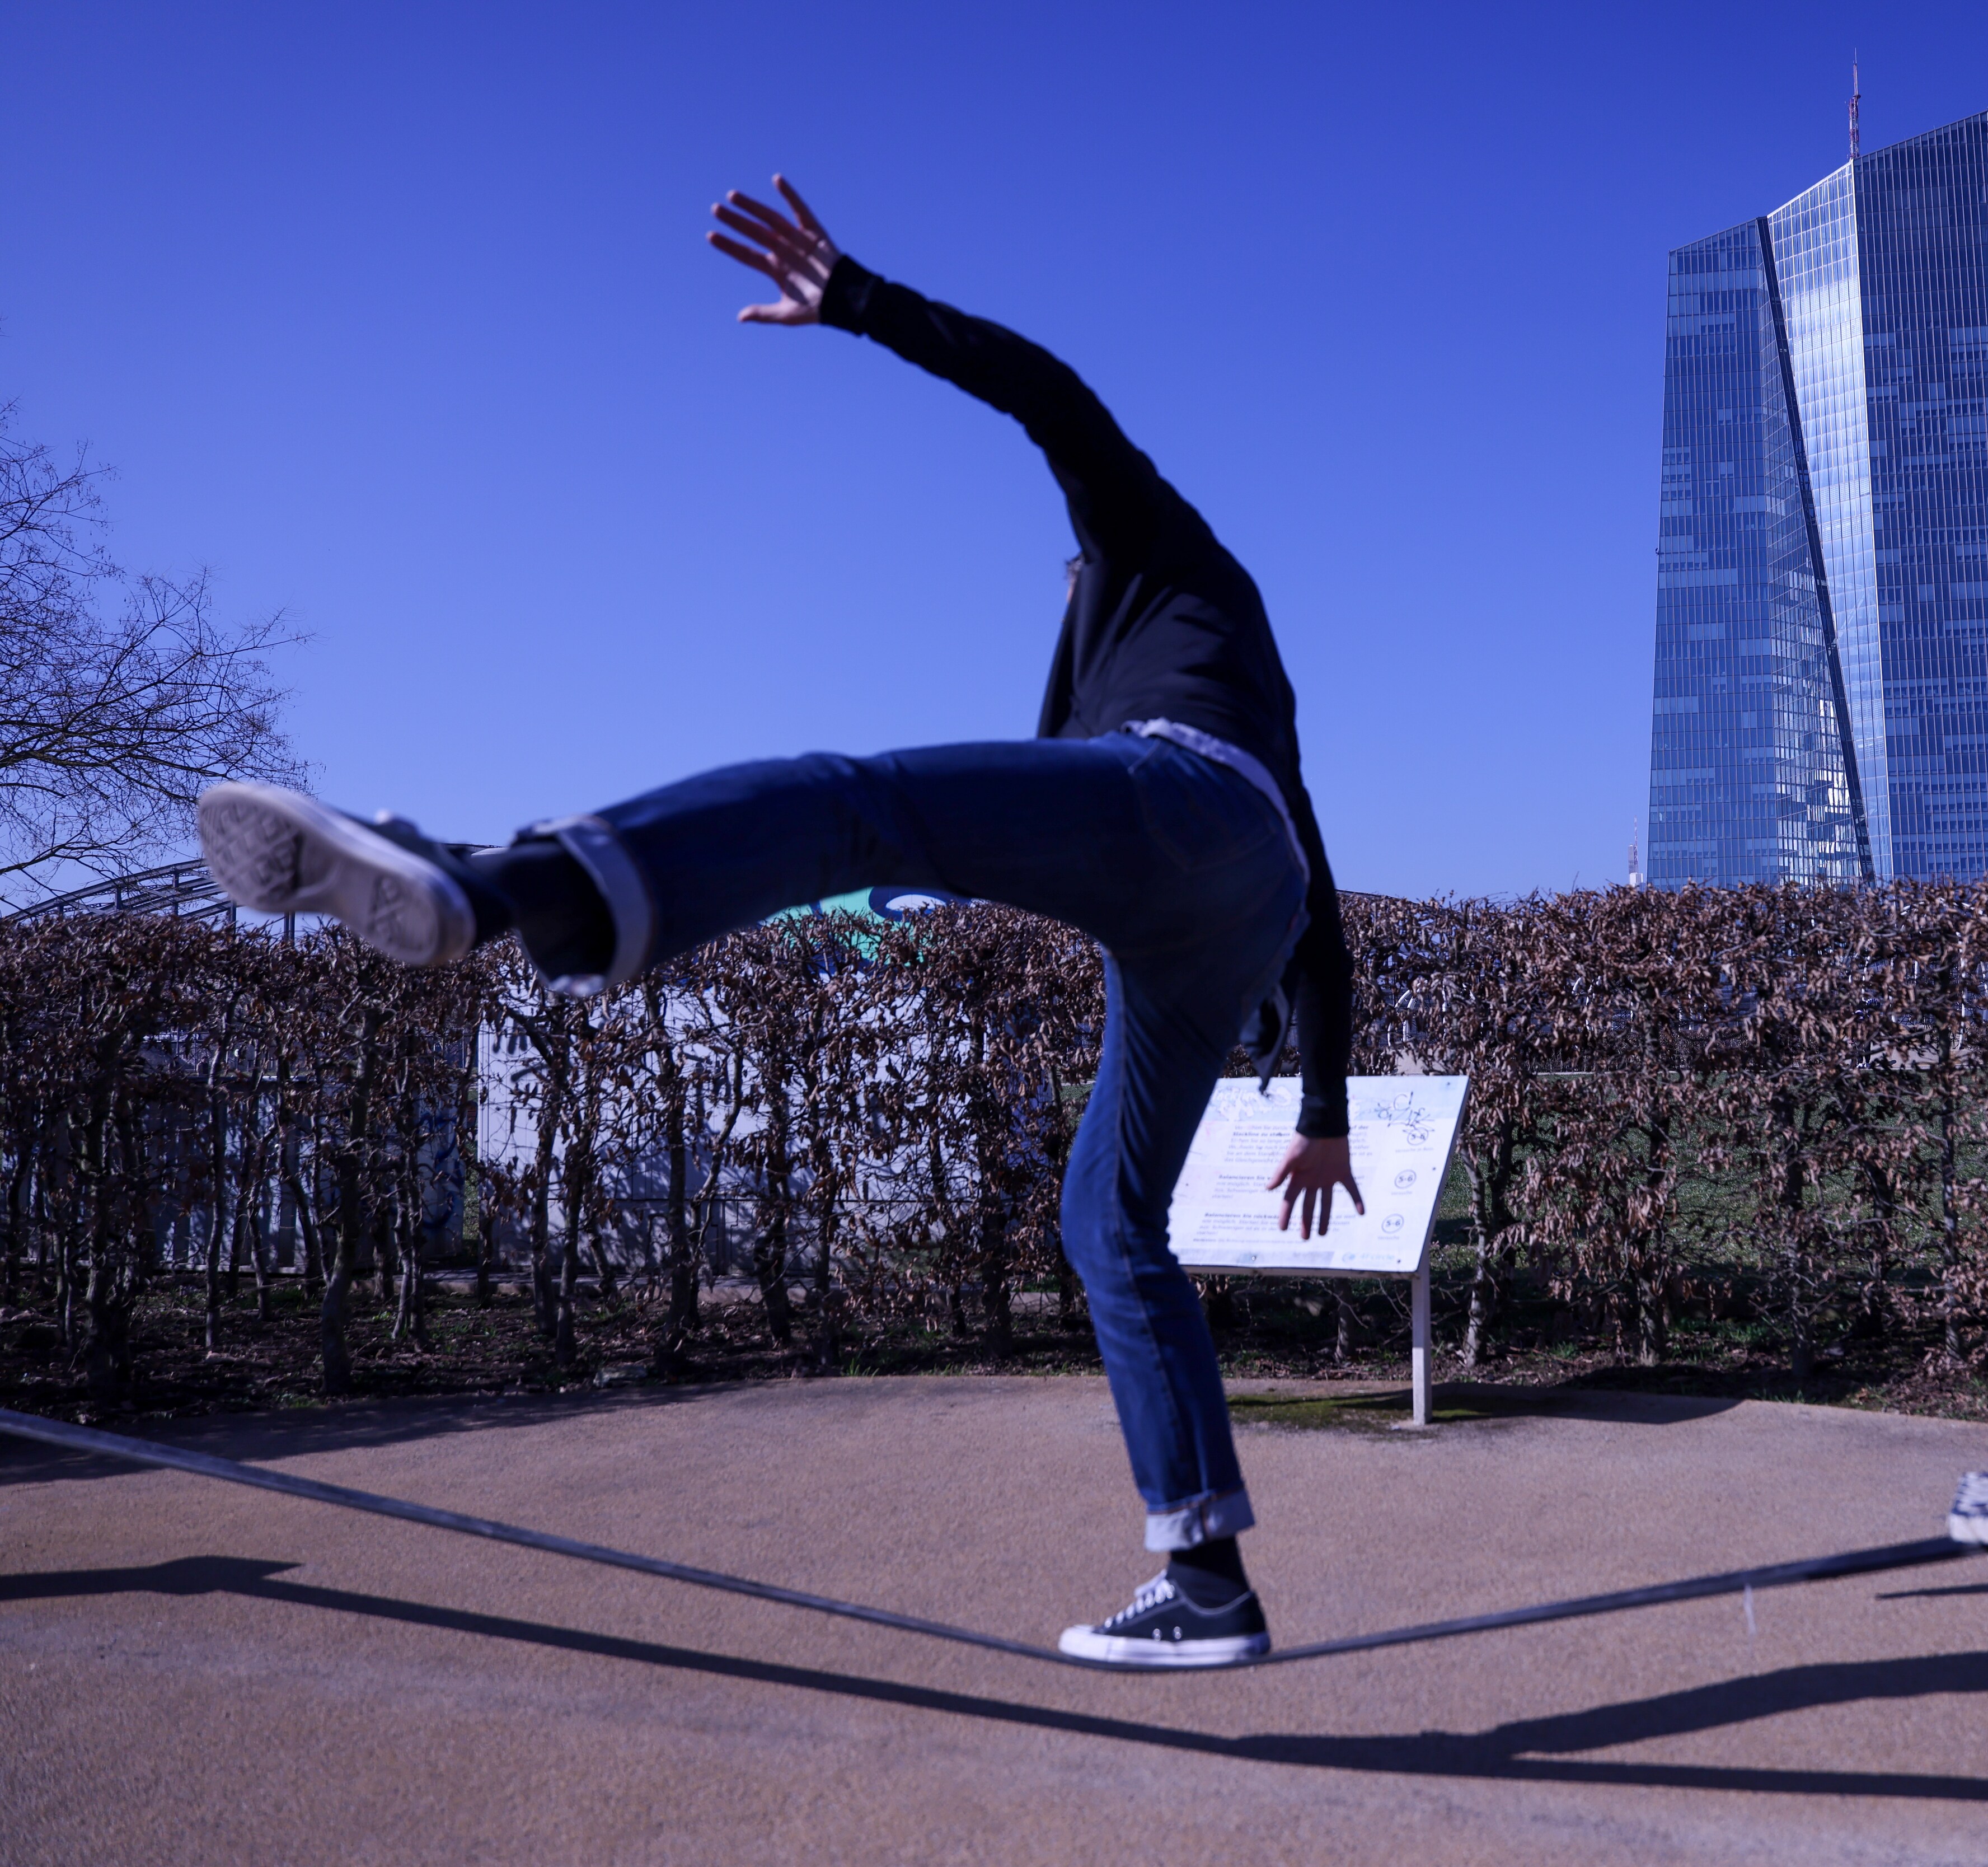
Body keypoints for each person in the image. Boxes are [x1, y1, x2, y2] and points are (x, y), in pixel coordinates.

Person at [196, 175, 1359, 1669]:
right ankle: (1207, 1583)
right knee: (1105, 1215)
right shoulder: (1241, 665)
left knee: (848, 801)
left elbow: (1055, 400)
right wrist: (1323, 1108)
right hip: (1235, 907)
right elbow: (1320, 904)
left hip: (1174, 813)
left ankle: (495, 887)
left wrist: (863, 302)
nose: (1068, 577)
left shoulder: (1153, 547)